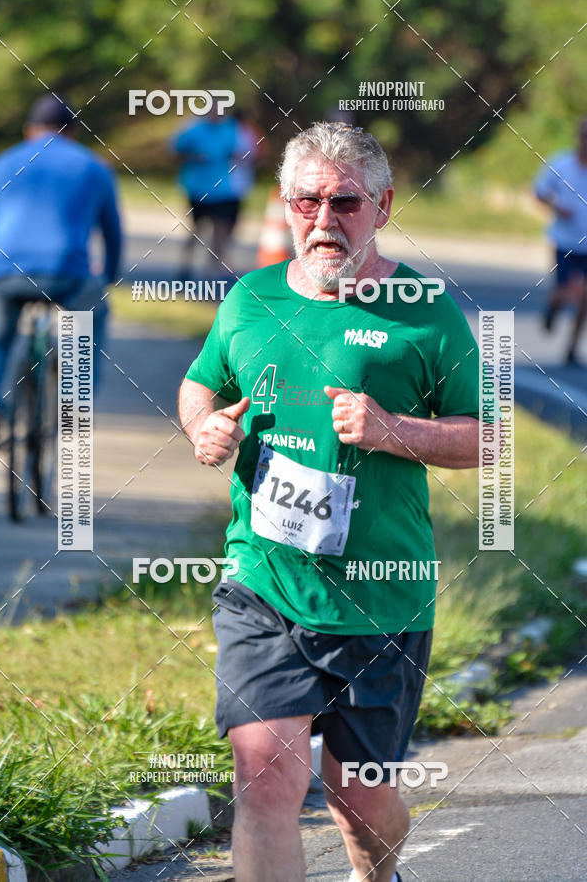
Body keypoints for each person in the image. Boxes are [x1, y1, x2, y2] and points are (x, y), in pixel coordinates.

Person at [178, 122, 481, 882]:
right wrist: (203, 428)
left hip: (381, 596)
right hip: (264, 582)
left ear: (381, 204)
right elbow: (199, 384)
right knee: (267, 774)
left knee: (358, 797)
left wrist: (392, 429)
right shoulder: (250, 297)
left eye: (344, 201)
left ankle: (377, 871)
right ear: (283, 205)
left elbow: (489, 438)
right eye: (307, 200)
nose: (324, 219)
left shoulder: (425, 312)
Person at [0, 93, 122, 447]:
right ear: (72, 132)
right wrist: (109, 276)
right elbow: (112, 231)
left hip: (5, 273)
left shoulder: (2, 163)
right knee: (88, 323)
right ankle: (75, 407)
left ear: (28, 129)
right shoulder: (94, 167)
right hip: (68, 273)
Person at [170, 101, 258, 276]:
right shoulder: (193, 128)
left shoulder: (233, 129)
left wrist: (239, 158)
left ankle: (214, 268)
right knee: (196, 229)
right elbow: (175, 151)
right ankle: (185, 266)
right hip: (198, 188)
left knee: (222, 229)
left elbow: (252, 152)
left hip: (224, 190)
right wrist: (194, 157)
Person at [534, 117, 587, 366]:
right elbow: (539, 191)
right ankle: (552, 309)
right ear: (579, 137)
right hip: (565, 241)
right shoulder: (562, 163)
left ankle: (571, 349)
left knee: (585, 298)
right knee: (562, 292)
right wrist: (557, 208)